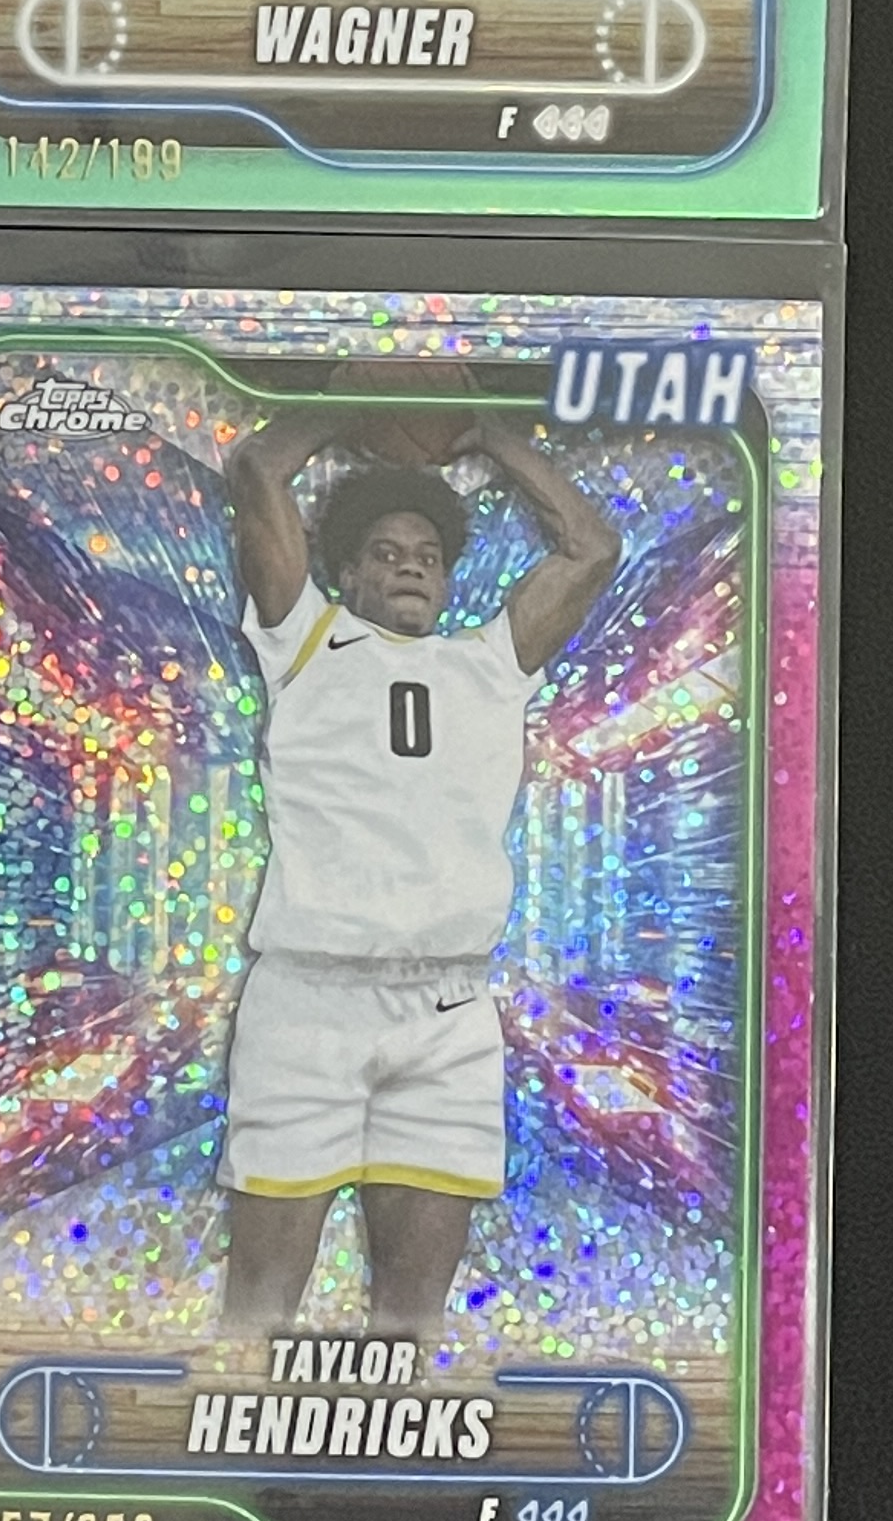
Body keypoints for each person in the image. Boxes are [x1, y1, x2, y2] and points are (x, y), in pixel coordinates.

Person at [215, 395, 619, 1346]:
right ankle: (244, 1440)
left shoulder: (491, 663)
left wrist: (487, 435)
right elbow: (258, 469)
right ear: (346, 570)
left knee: (412, 1325)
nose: (410, 566)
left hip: (447, 1011)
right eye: (387, 553)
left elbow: (591, 547)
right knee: (257, 1314)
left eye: (428, 556)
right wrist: (350, 398)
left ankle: (393, 1449)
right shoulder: (302, 639)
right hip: (308, 1003)